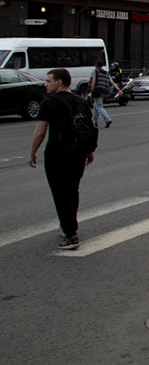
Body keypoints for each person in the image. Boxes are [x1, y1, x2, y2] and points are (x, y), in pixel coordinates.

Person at [26, 68, 96, 250]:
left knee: (60, 193)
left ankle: (71, 234)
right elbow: (88, 128)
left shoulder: (49, 103)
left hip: (57, 154)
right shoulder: (81, 101)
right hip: (77, 153)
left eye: (49, 80)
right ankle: (69, 226)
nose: (45, 84)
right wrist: (88, 152)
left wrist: (32, 152)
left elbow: (40, 132)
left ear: (59, 82)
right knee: (72, 191)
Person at [90, 60, 117, 129]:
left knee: (99, 106)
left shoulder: (95, 71)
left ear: (96, 65)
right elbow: (111, 82)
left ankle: (107, 119)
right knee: (96, 106)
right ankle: (95, 122)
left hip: (97, 90)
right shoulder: (106, 73)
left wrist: (91, 91)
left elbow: (93, 82)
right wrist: (118, 89)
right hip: (104, 91)